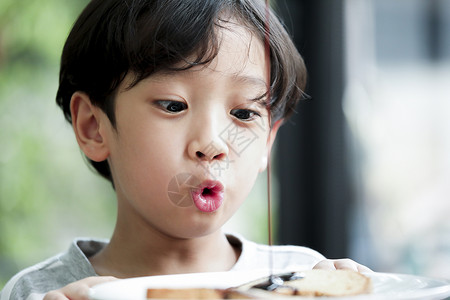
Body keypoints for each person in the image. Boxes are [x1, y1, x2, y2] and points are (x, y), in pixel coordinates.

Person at [0, 0, 371, 299]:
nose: (211, 144)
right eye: (173, 105)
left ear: (267, 145)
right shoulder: (37, 292)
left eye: (242, 113)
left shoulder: (306, 280)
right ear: (93, 127)